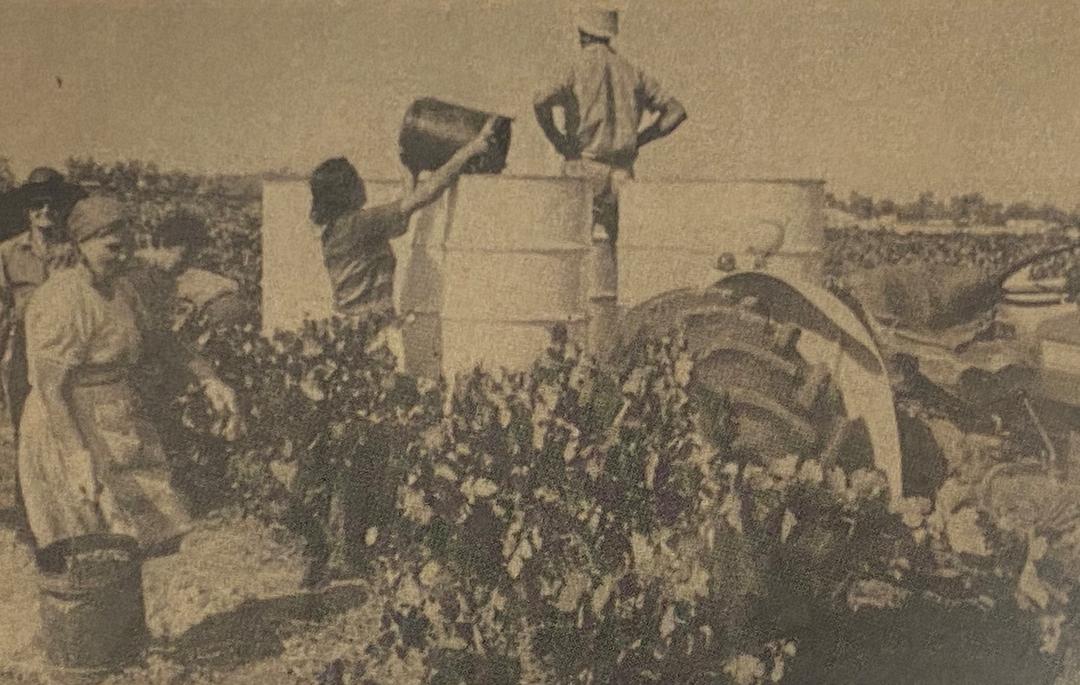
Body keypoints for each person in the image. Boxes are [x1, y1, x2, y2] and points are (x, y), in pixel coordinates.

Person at [294, 120, 498, 587]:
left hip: (341, 345)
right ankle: (359, 550)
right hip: (369, 344)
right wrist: (468, 152)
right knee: (368, 449)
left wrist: (411, 167)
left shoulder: (336, 230)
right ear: (350, 192)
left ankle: (323, 550)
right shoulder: (360, 224)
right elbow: (418, 203)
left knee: (337, 449)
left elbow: (402, 216)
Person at [17, 196, 242, 569]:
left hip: (116, 420)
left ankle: (126, 624)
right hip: (67, 426)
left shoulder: (123, 291)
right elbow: (51, 390)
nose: (123, 257)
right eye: (112, 247)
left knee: (142, 539)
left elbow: (162, 341)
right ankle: (84, 625)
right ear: (81, 245)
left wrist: (209, 379)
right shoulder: (63, 300)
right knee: (87, 551)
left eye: (128, 247)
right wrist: (76, 458)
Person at [532, 7, 688, 241]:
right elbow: (676, 111)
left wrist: (558, 140)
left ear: (582, 33)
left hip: (582, 168)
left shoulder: (575, 68)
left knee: (573, 249)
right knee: (611, 253)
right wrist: (640, 139)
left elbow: (540, 100)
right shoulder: (632, 71)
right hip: (621, 175)